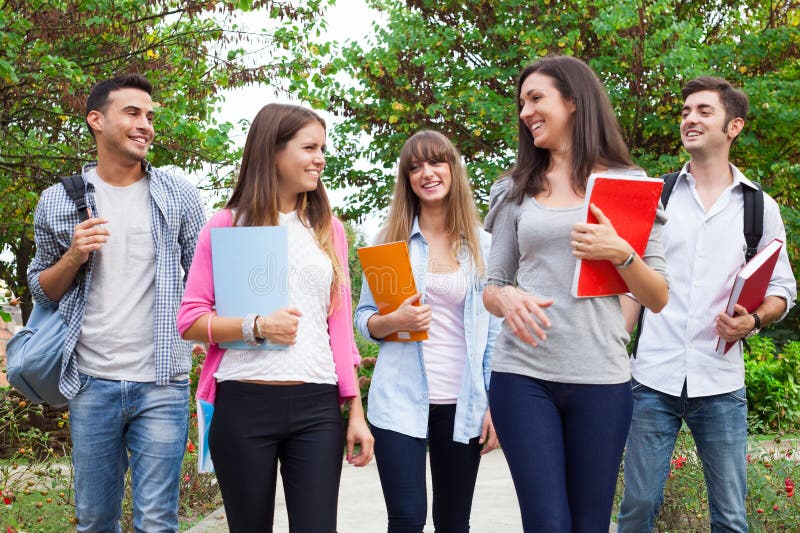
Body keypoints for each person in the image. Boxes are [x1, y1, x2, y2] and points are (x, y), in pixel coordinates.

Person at [481, 55, 669, 532]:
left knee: (588, 524)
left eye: (536, 98)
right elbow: (493, 285)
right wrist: (508, 300)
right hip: (522, 375)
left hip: (601, 378)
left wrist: (621, 253)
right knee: (547, 522)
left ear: (573, 102)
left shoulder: (630, 185)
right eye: (522, 103)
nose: (525, 112)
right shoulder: (513, 189)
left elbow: (658, 296)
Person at [177, 103, 373, 532]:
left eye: (323, 148)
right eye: (309, 147)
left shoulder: (328, 229)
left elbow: (338, 328)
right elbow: (190, 320)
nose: (321, 158)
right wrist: (257, 327)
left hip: (317, 406)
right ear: (273, 152)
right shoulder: (227, 224)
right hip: (244, 402)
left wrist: (354, 410)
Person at [617, 76, 796, 532]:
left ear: (733, 126)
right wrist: (614, 345)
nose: (689, 119)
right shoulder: (655, 197)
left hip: (720, 383)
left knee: (731, 518)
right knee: (636, 509)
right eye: (685, 112)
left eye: (703, 111)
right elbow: (632, 284)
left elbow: (782, 289)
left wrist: (753, 320)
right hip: (652, 379)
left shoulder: (760, 208)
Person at [27, 73, 206, 532]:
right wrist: (73, 255)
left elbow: (206, 280)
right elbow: (42, 291)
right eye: (132, 113)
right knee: (95, 521)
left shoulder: (178, 195)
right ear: (96, 120)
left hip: (161, 382)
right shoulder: (57, 202)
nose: (145, 124)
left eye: (149, 116)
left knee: (157, 521)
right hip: (90, 381)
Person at [354, 130, 501, 533]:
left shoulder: (484, 247)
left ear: (453, 169)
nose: (427, 172)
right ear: (407, 180)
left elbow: (494, 338)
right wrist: (391, 323)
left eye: (436, 162)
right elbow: (364, 317)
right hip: (399, 402)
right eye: (415, 167)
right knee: (406, 520)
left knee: (454, 523)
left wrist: (493, 404)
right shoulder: (390, 244)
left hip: (463, 403)